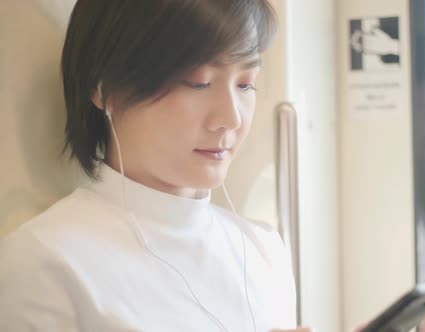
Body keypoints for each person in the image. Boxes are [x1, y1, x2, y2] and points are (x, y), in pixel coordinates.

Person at [0, 0, 311, 331]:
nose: (231, 119)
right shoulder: (45, 262)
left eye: (245, 83)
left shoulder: (263, 250)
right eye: (198, 82)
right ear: (105, 88)